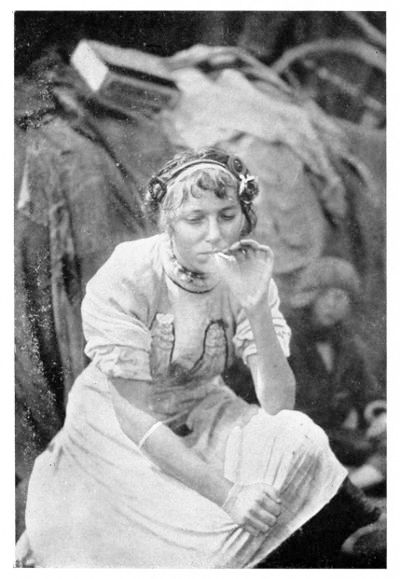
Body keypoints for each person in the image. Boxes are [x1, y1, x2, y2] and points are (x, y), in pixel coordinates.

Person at [20, 147, 379, 568]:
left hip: (203, 407)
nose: (215, 234)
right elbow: (134, 416)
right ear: (168, 222)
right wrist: (229, 495)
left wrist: (256, 307)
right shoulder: (131, 273)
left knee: (300, 438)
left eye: (227, 215)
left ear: (244, 216)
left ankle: (353, 534)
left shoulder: (246, 272)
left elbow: (279, 404)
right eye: (195, 219)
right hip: (118, 428)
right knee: (196, 536)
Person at [287, 257, 386, 491]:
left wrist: (381, 415)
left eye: (341, 296)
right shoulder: (284, 338)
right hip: (294, 440)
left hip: (337, 437)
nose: (332, 304)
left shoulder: (347, 344)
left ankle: (349, 488)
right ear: (309, 297)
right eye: (325, 295)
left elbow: (368, 393)